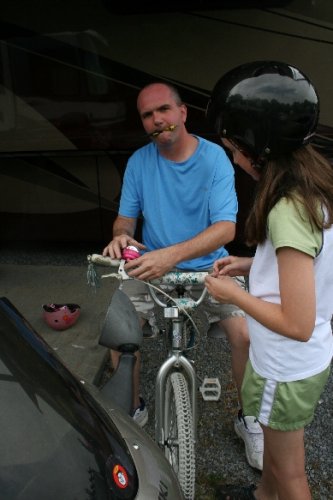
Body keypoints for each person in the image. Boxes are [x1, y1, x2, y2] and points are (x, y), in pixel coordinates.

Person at [102, 81, 263, 470]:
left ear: (182, 113)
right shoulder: (140, 161)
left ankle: (249, 420)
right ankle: (133, 412)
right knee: (119, 331)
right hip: (152, 266)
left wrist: (168, 256)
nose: (157, 120)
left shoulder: (214, 160)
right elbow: (125, 219)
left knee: (245, 335)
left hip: (212, 267)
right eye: (147, 115)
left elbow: (226, 229)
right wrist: (121, 235)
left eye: (163, 110)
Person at [205, 60, 333, 499]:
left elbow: (296, 324)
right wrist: (246, 267)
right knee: (277, 467)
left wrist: (232, 296)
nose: (234, 159)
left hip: (285, 363)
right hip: (297, 362)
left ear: (257, 146)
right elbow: (304, 267)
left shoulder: (286, 211)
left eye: (233, 148)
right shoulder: (310, 185)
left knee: (291, 474)